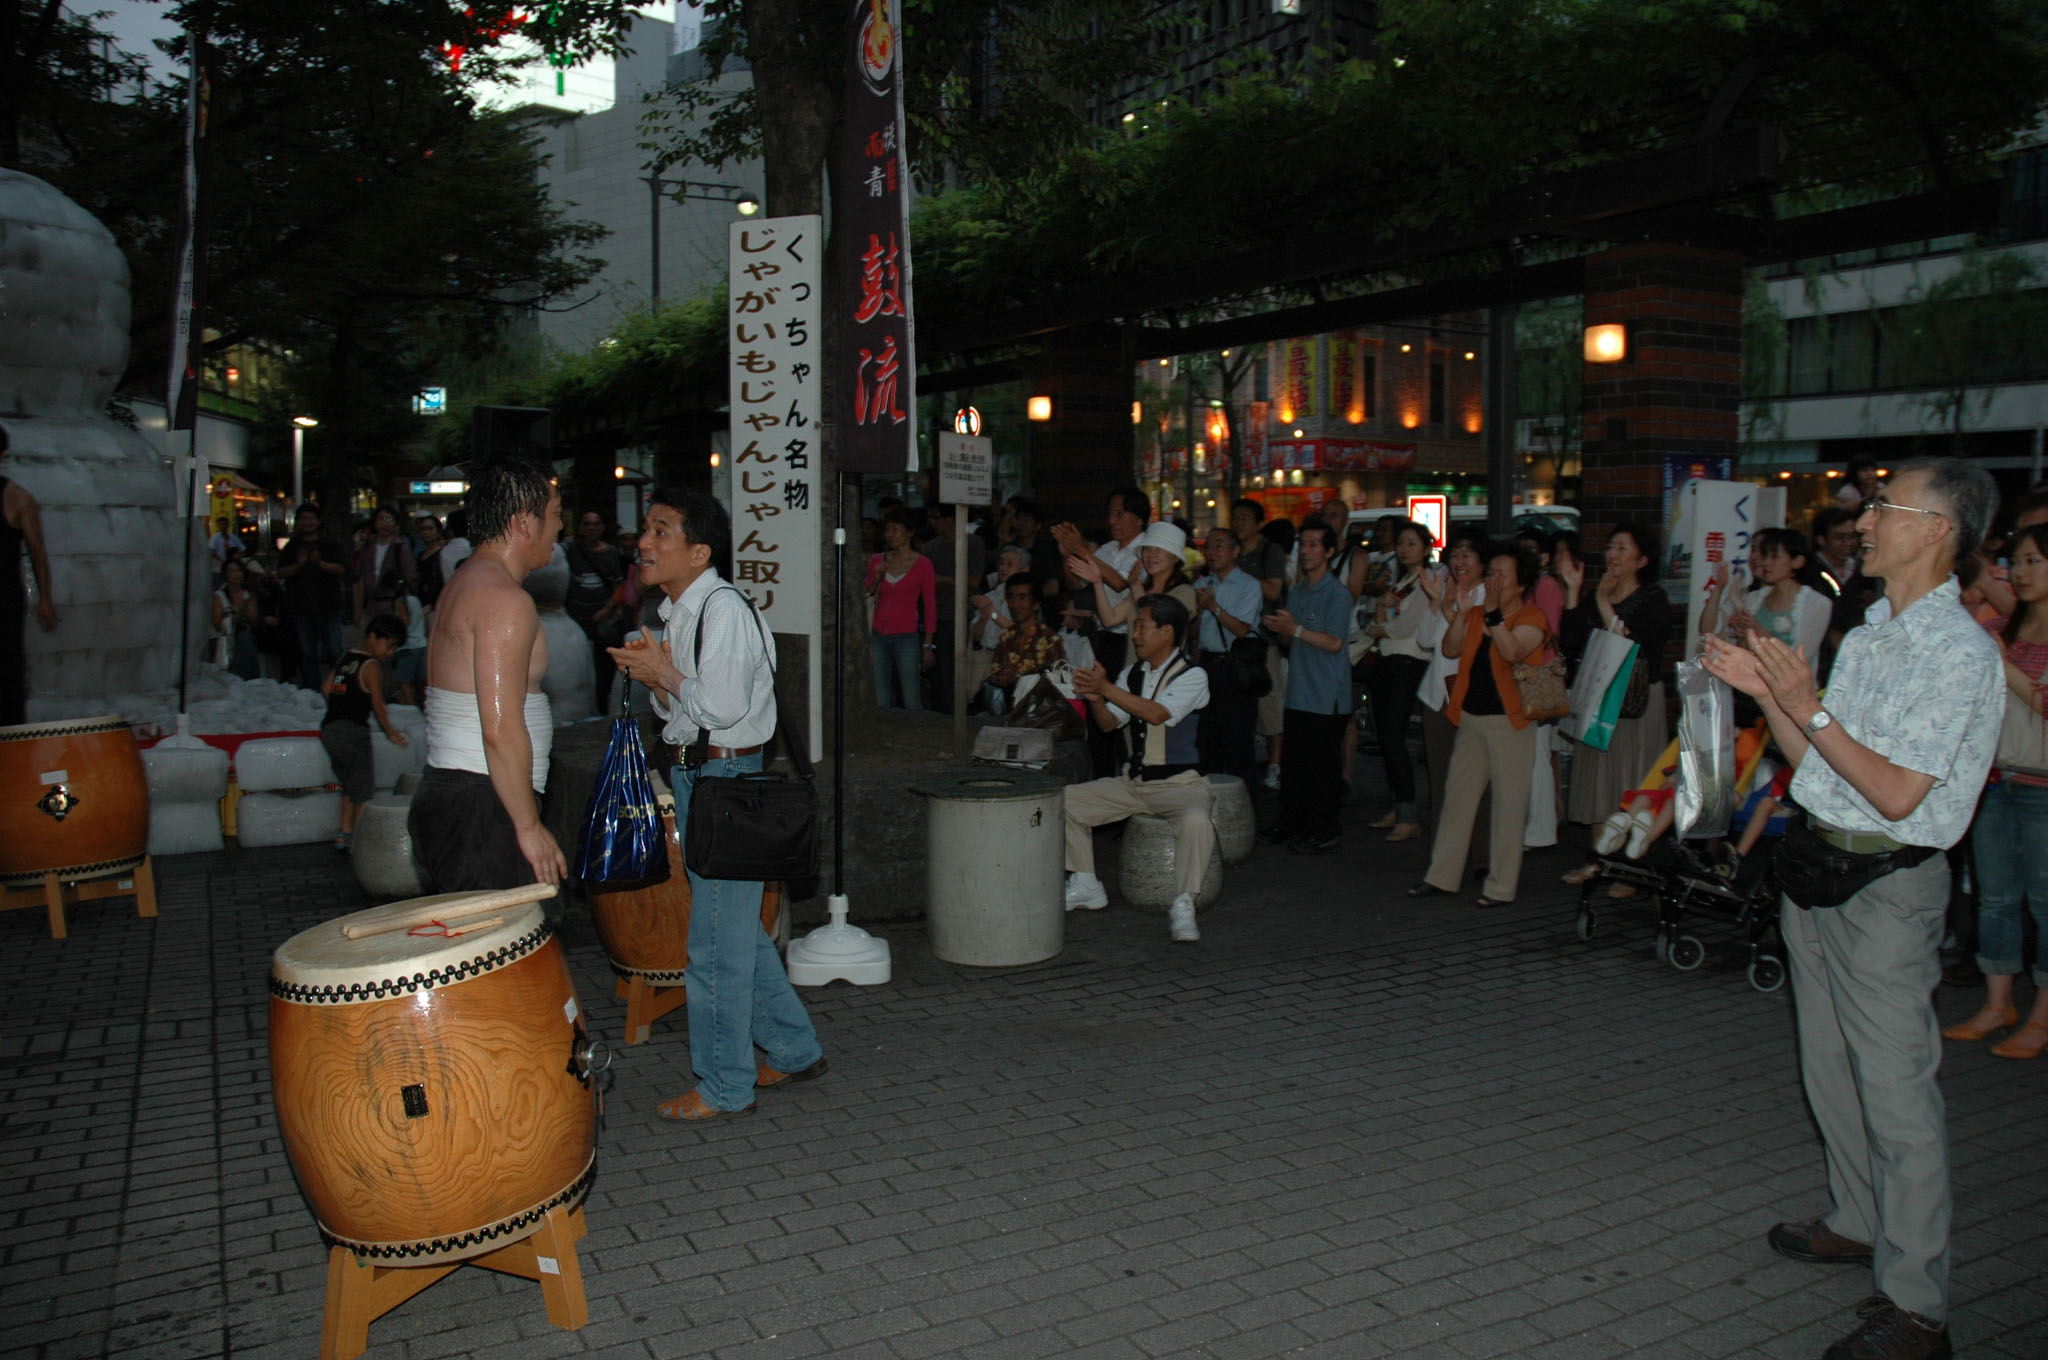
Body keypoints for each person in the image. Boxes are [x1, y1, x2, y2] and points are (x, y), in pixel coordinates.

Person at [1702, 457, 2003, 1360]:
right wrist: (1773, 698)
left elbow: (1900, 793)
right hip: (1819, 869)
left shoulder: (1959, 652)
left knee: (1896, 1093)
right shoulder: (1873, 633)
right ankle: (1859, 1221)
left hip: (1887, 886)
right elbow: (1819, 759)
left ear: (1938, 529)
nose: (1864, 522)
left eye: (1884, 507)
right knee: (1828, 1067)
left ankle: (1917, 1308)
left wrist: (1806, 705)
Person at [608, 487, 824, 1122]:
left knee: (712, 948)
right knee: (736, 936)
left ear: (699, 552)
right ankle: (793, 1049)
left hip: (726, 782)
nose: (644, 543)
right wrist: (659, 678)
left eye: (661, 531)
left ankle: (726, 1086)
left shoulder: (721, 608)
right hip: (706, 779)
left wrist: (664, 676)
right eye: (646, 530)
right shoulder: (683, 611)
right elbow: (681, 713)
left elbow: (723, 708)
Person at [407, 461, 567, 891]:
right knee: (502, 933)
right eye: (555, 514)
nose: (559, 526)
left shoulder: (467, 580)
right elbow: (499, 728)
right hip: (482, 802)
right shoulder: (502, 599)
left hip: (468, 795)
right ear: (523, 522)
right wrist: (528, 826)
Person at [1941, 519, 2048, 1059]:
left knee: (2045, 903)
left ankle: (2041, 1017)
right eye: (2017, 561)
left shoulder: (2002, 639)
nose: (2021, 572)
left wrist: (2006, 667)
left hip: (2042, 785)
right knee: (1997, 898)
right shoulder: (2000, 626)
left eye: (2034, 562)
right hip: (1994, 780)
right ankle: (1997, 1004)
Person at [1060, 594, 1213, 942]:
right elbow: (1109, 724)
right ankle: (1086, 882)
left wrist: (1105, 688)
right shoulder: (1132, 674)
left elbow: (1157, 714)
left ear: (1167, 631)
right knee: (1064, 801)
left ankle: (1184, 901)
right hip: (1134, 783)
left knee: (1197, 820)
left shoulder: (1193, 675)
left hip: (1181, 786)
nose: (1135, 634)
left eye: (1142, 626)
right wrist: (1097, 699)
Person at [1406, 545, 1552, 907]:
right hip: (1470, 718)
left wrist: (1493, 617)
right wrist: (1459, 613)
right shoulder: (1475, 613)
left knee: (1508, 806)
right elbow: (1450, 649)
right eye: (1491, 573)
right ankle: (1441, 876)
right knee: (1457, 799)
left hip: (1511, 723)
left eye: (1502, 575)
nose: (1493, 580)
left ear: (1521, 584)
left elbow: (1512, 652)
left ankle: (1500, 887)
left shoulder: (1532, 617)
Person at [1561, 521, 1672, 834]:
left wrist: (1602, 602)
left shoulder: (1653, 599)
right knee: (1598, 782)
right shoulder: (1596, 595)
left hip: (1633, 701)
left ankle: (1629, 855)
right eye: (1611, 547)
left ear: (1642, 560)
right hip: (1598, 697)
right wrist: (1573, 591)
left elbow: (1630, 648)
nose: (1613, 554)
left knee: (1630, 775)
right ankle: (1600, 854)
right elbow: (1569, 641)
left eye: (1623, 548)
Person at [1258, 522, 1354, 855]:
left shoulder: (1338, 594)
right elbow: (1293, 637)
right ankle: (1292, 819)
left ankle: (1324, 826)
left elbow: (1335, 642)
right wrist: (1280, 629)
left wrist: (1294, 630)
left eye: (1315, 544)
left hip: (1327, 694)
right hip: (1299, 689)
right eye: (1304, 544)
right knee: (1295, 762)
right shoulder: (1297, 590)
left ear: (1330, 552)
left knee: (1322, 765)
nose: (1307, 551)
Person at [1362, 521, 1436, 842]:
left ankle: (1407, 814)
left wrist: (1381, 628)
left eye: (1412, 544)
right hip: (1390, 659)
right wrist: (1383, 616)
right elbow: (1385, 616)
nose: (1404, 549)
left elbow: (1406, 625)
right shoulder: (1405, 580)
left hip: (1407, 662)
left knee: (1393, 737)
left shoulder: (1427, 581)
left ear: (1426, 549)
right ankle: (1398, 806)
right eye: (1402, 543)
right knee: (1386, 737)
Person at [321, 613, 408, 853]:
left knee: (349, 785)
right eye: (389, 645)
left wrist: (341, 705)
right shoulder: (371, 665)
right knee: (362, 789)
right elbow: (377, 704)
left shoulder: (346, 657)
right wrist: (390, 732)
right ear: (372, 636)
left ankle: (344, 833)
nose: (390, 652)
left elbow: (326, 687)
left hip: (330, 729)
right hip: (353, 731)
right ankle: (359, 840)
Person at [1192, 527, 1263, 782]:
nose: (1212, 552)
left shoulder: (1249, 585)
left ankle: (1245, 800)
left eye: (1219, 545)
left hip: (1235, 668)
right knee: (1206, 738)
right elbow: (1192, 634)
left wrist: (1212, 606)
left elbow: (1242, 630)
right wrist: (1199, 612)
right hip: (1206, 666)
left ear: (1235, 552)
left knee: (1238, 740)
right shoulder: (1201, 585)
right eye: (1208, 547)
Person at [1699, 527, 1831, 661]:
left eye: (1774, 557)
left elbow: (1800, 659)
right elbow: (1709, 631)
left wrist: (1757, 630)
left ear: (1797, 561)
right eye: (1766, 556)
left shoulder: (1817, 603)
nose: (1765, 563)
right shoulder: (1754, 598)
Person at [0, 424, 58, 724]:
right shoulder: (18, 497)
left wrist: (45, 600)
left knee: (8, 672)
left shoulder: (17, 497)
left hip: (4, 599)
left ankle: (11, 737)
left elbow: (38, 552)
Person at [865, 505, 937, 710]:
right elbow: (867, 594)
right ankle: (883, 727)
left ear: (910, 532)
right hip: (878, 634)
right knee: (881, 696)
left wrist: (928, 644)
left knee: (911, 696)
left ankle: (916, 728)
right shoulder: (877, 560)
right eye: (888, 529)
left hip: (907, 636)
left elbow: (930, 605)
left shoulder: (923, 565)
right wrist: (876, 577)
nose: (890, 535)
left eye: (895, 529)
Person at [277, 504, 349, 691]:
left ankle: (338, 689)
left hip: (329, 607)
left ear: (318, 521)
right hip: (302, 608)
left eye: (311, 518)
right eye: (304, 519)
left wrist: (320, 563)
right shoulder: (293, 546)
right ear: (298, 522)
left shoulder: (329, 544)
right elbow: (281, 572)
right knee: (308, 653)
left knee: (335, 651)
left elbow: (341, 569)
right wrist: (299, 565)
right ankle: (312, 690)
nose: (308, 522)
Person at [565, 509, 627, 714]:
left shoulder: (611, 553)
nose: (591, 528)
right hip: (577, 616)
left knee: (603, 665)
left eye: (595, 524)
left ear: (602, 528)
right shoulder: (571, 550)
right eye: (587, 524)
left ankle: (602, 706)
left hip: (603, 618)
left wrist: (608, 610)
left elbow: (619, 584)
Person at [986, 573, 1066, 705]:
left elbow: (1058, 685)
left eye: (1022, 597)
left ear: (1036, 604)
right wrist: (1002, 679)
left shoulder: (1050, 640)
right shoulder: (1006, 636)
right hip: (1007, 707)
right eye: (1011, 597)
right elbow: (994, 675)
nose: (1015, 604)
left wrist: (1018, 679)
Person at [352, 505, 416, 627]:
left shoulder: (401, 548)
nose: (386, 524)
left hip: (393, 606)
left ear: (395, 524)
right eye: (382, 519)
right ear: (375, 523)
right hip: (370, 607)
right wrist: (358, 609)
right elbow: (359, 579)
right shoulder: (368, 548)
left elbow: (410, 579)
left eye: (390, 520)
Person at [211, 557, 262, 679]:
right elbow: (218, 625)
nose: (236, 574)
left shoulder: (248, 594)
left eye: (239, 570)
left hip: (244, 636)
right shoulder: (219, 596)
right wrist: (240, 612)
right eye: (232, 571)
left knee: (246, 638)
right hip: (224, 640)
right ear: (226, 575)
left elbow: (254, 620)